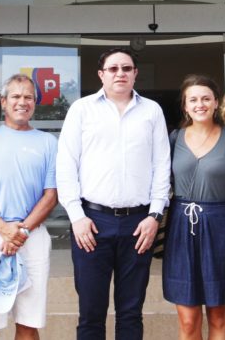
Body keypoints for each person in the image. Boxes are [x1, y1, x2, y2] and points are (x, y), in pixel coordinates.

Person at [56, 47, 172, 340]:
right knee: (91, 314)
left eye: (126, 68)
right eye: (113, 69)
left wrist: (155, 215)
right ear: (101, 74)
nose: (120, 73)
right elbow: (66, 165)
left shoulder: (152, 111)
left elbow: (162, 167)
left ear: (135, 74)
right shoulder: (82, 109)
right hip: (91, 222)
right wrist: (76, 216)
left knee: (131, 313)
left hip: (139, 224)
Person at [0, 73, 58, 340]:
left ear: (35, 103)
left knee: (28, 325)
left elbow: (51, 196)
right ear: (3, 102)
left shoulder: (48, 143)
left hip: (32, 238)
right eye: (16, 96)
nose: (22, 102)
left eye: (28, 97)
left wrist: (20, 232)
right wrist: (4, 229)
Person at [163, 75, 225, 340]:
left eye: (206, 98)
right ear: (185, 106)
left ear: (216, 102)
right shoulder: (174, 138)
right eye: (193, 99)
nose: (200, 104)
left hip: (221, 226)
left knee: (219, 316)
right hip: (180, 227)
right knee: (188, 320)